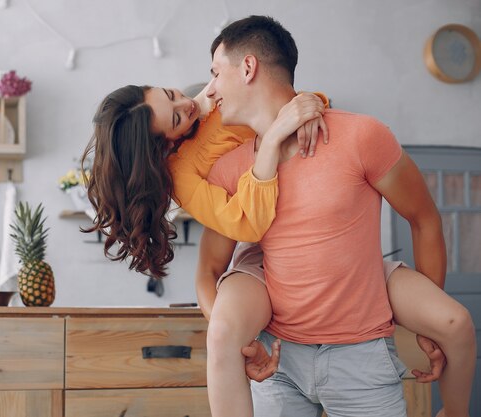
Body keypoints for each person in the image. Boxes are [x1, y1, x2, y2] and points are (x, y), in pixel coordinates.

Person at [196, 15, 476, 417]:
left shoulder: (362, 136)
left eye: (215, 73)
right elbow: (209, 269)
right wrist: (236, 340)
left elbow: (424, 219)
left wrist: (424, 326)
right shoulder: (228, 170)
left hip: (362, 361)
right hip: (278, 362)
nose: (210, 90)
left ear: (248, 67)